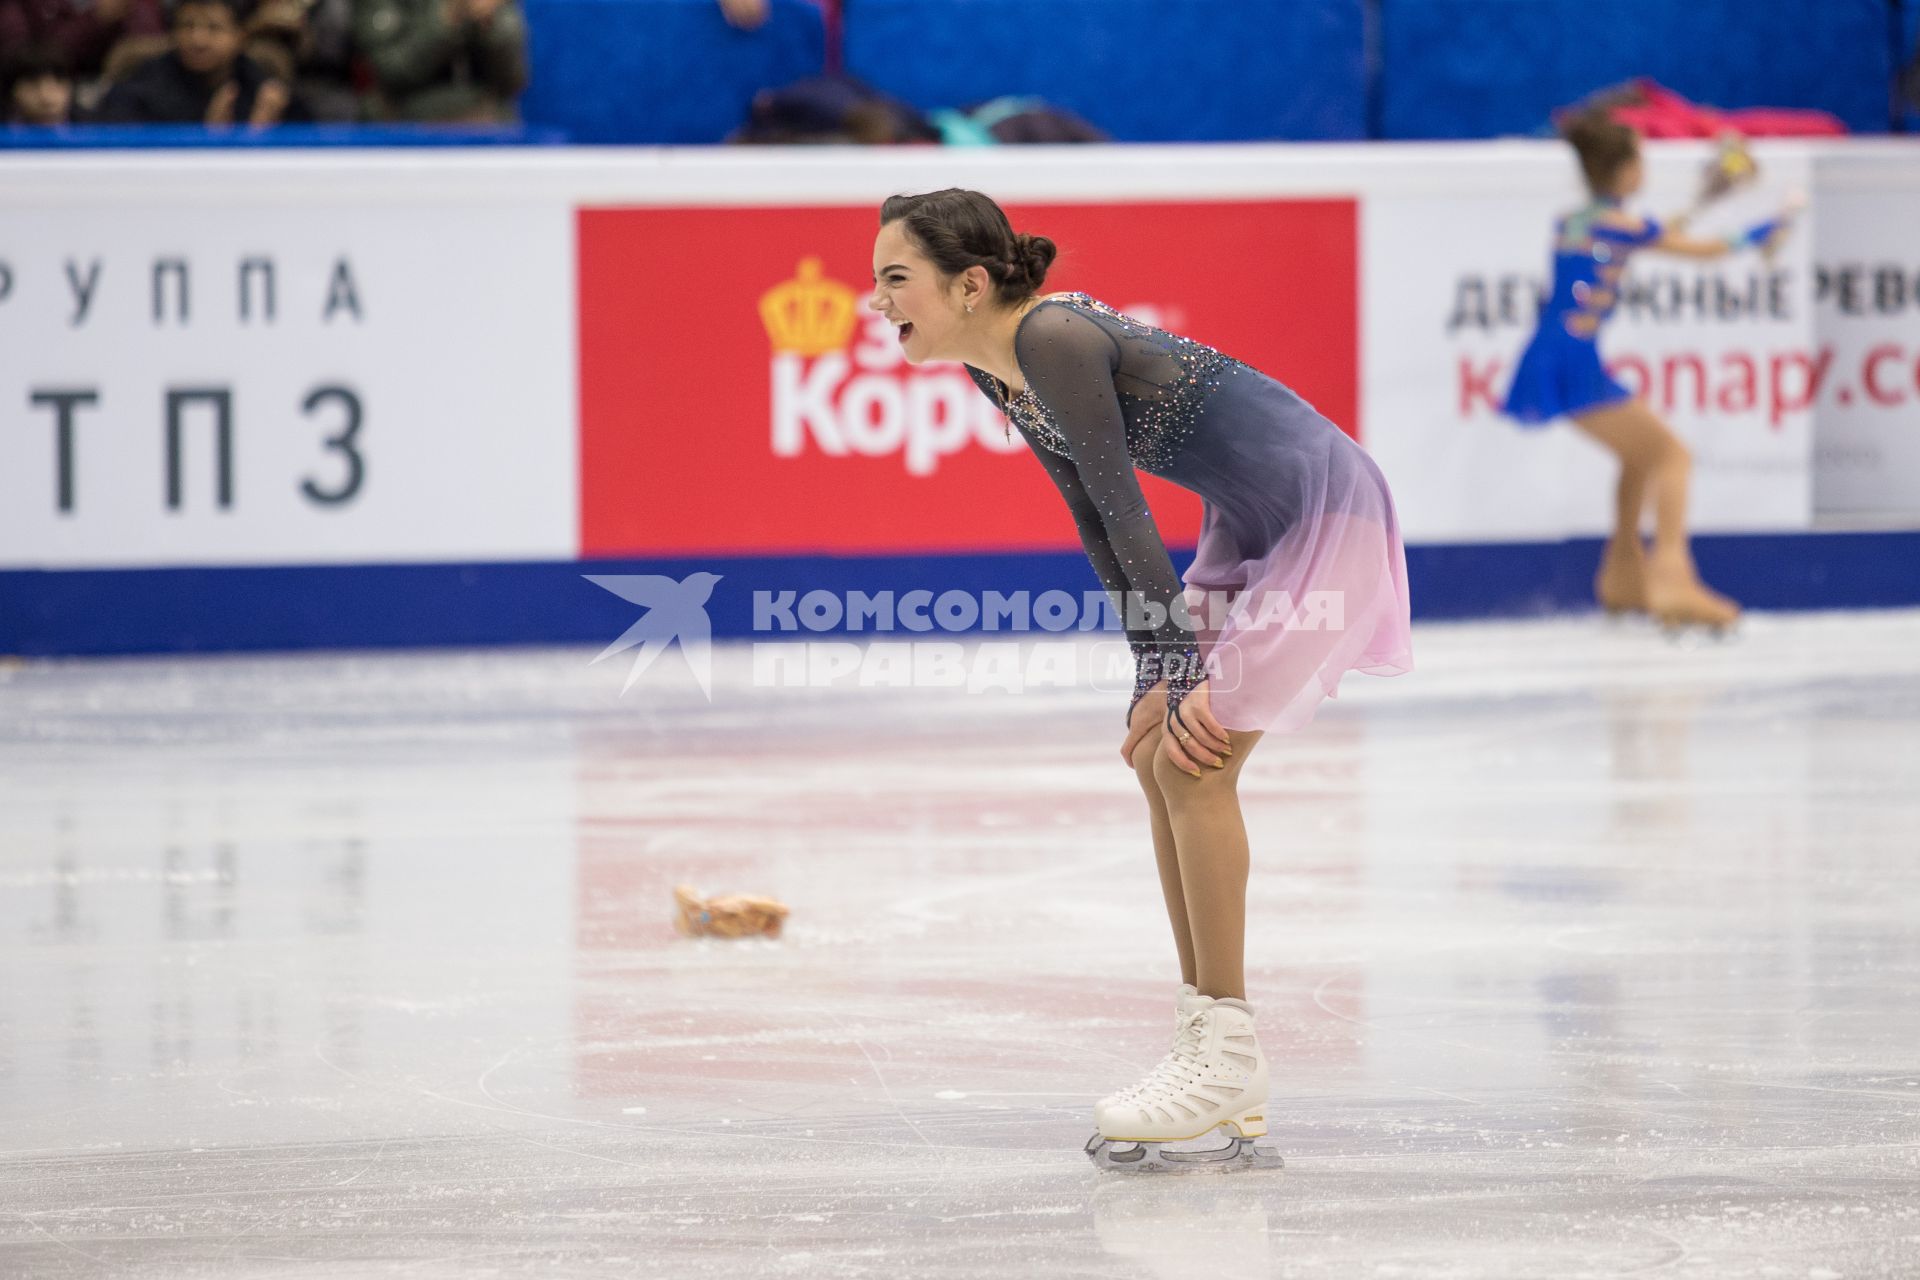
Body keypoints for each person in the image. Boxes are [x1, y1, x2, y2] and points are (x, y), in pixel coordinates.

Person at [869, 189, 1413, 1172]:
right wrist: (1151, 671)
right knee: (1161, 753)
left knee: (1196, 762)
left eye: (895, 278)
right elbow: (1091, 520)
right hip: (1252, 524)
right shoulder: (1005, 374)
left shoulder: (1056, 339)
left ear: (972, 282)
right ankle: (1208, 1037)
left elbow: (1125, 513)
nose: (878, 301)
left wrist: (1173, 665)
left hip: (1327, 517)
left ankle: (1227, 1048)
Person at [1502, 106, 1794, 629]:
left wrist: (1709, 203)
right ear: (1627, 171)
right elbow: (1704, 252)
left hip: (1556, 355)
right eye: (1641, 158)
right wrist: (1771, 225)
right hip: (1573, 360)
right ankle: (1672, 579)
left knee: (1640, 458)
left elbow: (1649, 233)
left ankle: (1622, 575)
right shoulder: (1621, 226)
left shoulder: (1579, 221)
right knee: (1672, 455)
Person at [92, 0, 301, 127]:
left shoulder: (262, 87)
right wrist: (203, 139)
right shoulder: (143, 88)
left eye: (214, 28)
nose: (198, 40)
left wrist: (263, 137)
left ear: (240, 36)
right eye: (187, 26)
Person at [353, 0, 528, 123]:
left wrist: (491, 26)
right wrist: (448, 20)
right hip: (404, 117)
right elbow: (389, 71)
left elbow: (513, 81)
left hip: (485, 118)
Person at [4, 45, 76, 125]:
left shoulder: (89, 125)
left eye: (58, 82)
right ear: (13, 91)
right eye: (33, 85)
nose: (47, 99)